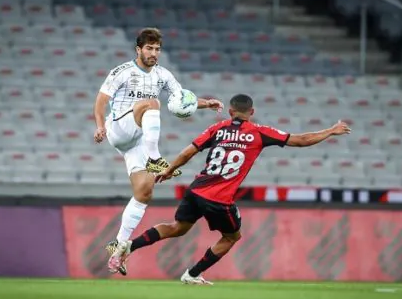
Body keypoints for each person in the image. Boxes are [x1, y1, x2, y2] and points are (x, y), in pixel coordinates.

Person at [109, 94, 352, 284]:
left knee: (178, 227)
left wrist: (170, 169)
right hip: (219, 199)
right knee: (232, 236)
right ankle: (193, 274)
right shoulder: (259, 132)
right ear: (252, 112)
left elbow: (188, 151)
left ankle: (129, 245)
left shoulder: (217, 128)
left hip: (196, 190)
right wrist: (330, 131)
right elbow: (300, 140)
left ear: (231, 111)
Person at [93, 27, 223, 275]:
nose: (154, 53)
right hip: (119, 128)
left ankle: (118, 246)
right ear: (138, 49)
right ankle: (155, 159)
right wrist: (100, 127)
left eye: (157, 49)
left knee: (144, 192)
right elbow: (100, 102)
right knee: (152, 103)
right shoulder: (122, 71)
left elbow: (180, 99)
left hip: (138, 139)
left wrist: (206, 104)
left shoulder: (163, 75)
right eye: (149, 48)